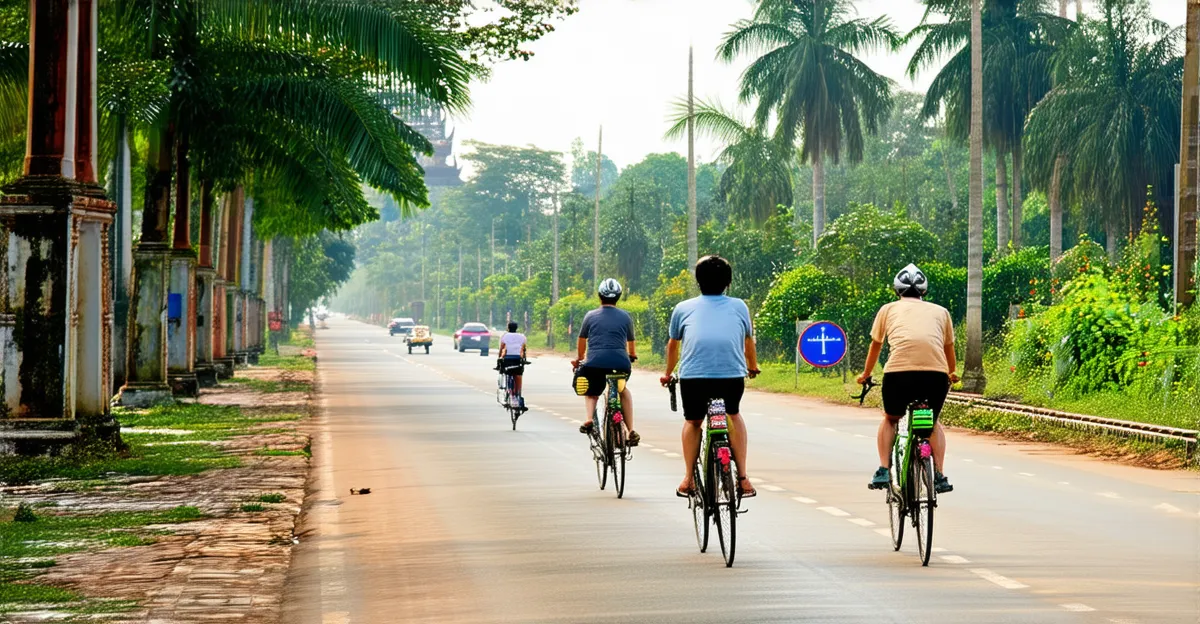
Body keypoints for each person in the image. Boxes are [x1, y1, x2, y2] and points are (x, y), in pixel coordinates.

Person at [660, 255, 760, 498]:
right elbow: (748, 341)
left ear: (698, 281)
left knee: (694, 421)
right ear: (728, 282)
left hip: (693, 378)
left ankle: (687, 479)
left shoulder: (682, 308)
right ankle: (744, 479)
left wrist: (668, 373)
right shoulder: (739, 306)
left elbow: (673, 346)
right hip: (731, 378)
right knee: (733, 415)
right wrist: (753, 366)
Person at [857, 263, 957, 494]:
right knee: (931, 422)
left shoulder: (888, 309)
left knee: (891, 419)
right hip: (935, 376)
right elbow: (949, 348)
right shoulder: (942, 312)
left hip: (898, 374)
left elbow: (876, 346)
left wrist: (866, 374)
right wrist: (952, 372)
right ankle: (939, 475)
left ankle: (883, 469)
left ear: (897, 290)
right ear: (924, 291)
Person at [572, 278, 640, 446]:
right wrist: (631, 354)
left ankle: (589, 419)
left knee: (592, 392)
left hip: (594, 364)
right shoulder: (626, 317)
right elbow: (631, 343)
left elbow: (582, 340)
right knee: (623, 390)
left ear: (599, 296)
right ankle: (630, 430)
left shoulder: (590, 315)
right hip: (621, 364)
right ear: (618, 296)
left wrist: (580, 358)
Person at [498, 321, 528, 411]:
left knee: (507, 373)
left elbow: (502, 348)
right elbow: (523, 349)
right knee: (518, 376)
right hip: (517, 359)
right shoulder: (522, 337)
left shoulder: (504, 336)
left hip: (507, 359)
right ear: (516, 328)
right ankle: (517, 394)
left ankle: (510, 393)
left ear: (508, 328)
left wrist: (499, 359)